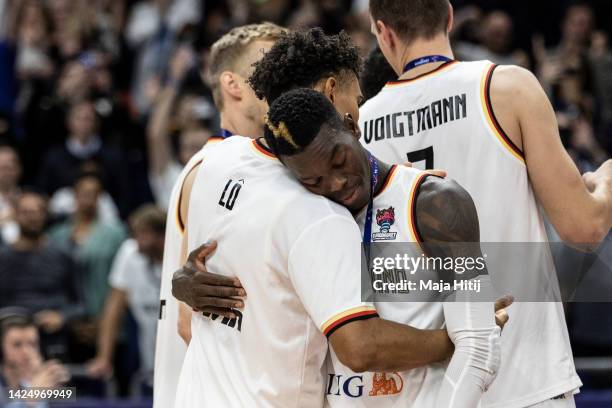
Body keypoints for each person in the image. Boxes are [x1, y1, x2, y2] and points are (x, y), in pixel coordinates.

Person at [361, 0, 612, 406]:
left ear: (383, 32)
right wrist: (606, 178)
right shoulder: (506, 87)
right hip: (524, 378)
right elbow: (585, 228)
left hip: (425, 389)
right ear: (448, 16)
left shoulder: (360, 127)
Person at [152, 22, 287, 408]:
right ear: (233, 85)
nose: (285, 78)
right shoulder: (217, 167)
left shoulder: (228, 163)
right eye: (272, 65)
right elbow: (189, 322)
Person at [87, 205, 167, 394]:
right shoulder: (129, 253)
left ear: (161, 235)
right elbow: (113, 309)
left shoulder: (182, 254)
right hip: (148, 363)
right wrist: (104, 357)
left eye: (141, 233)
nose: (134, 239)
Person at [0, 191, 83, 360]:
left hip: (53, 342)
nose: (32, 217)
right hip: (10, 345)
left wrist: (62, 317)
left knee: (57, 386)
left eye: (37, 212)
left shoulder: (63, 255)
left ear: (45, 215)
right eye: (26, 212)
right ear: (15, 215)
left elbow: (80, 304)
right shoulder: (3, 258)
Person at [0, 311, 69, 408]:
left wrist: (58, 392)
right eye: (17, 345)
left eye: (32, 344)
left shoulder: (32, 382)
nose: (27, 352)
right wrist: (32, 396)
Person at [0, 145, 21, 245]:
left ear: (19, 169)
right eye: (3, 168)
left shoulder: (27, 196)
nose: (7, 172)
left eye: (10, 167)